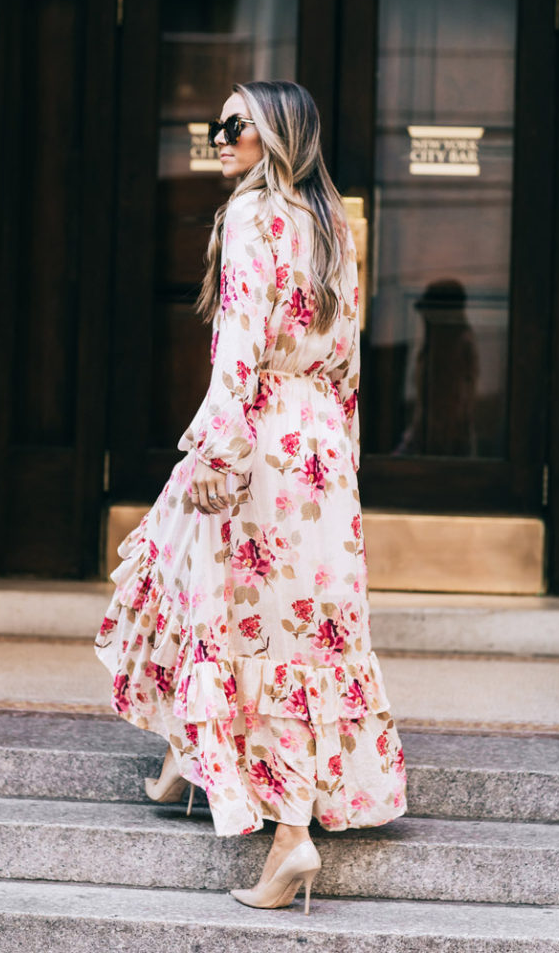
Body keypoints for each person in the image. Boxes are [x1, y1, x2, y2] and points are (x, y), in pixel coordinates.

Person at [93, 80, 407, 915]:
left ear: (278, 137)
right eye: (216, 123)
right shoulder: (334, 223)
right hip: (320, 446)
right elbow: (346, 359)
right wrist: (339, 456)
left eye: (236, 126)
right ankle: (190, 764)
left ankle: (288, 839)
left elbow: (236, 345)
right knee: (295, 624)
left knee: (211, 593)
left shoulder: (249, 216)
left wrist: (221, 449)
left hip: (261, 425)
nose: (220, 137)